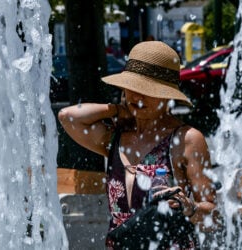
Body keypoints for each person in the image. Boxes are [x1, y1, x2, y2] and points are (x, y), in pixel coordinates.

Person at [58, 41, 218, 249]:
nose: (137, 95)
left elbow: (213, 214)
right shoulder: (114, 136)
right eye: (132, 86)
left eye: (148, 90)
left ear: (167, 94)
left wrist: (189, 208)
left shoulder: (186, 139)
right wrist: (116, 109)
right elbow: (68, 117)